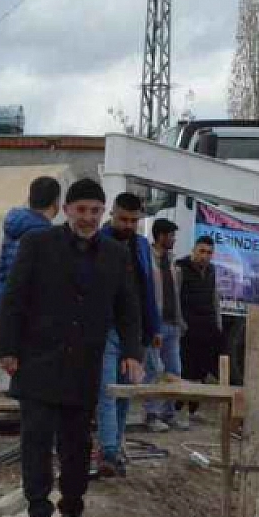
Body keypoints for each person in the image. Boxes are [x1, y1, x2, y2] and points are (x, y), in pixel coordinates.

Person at [0, 179, 143, 517]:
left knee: (77, 442)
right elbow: (13, 299)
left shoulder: (115, 254)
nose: (88, 218)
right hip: (37, 361)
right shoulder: (37, 244)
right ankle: (39, 514)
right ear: (66, 210)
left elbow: (128, 308)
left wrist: (131, 353)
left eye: (95, 211)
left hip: (83, 364)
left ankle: (73, 509)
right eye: (81, 210)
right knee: (37, 440)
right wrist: (8, 349)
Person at [96, 193, 160, 477]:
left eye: (135, 221)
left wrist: (153, 328)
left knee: (125, 393)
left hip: (135, 333)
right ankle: (108, 452)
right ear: (112, 214)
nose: (129, 225)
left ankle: (115, 447)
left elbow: (147, 289)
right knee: (108, 391)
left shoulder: (142, 246)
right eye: (124, 219)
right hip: (106, 327)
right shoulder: (98, 242)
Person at [0, 176, 60, 337]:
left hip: (7, 314)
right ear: (56, 203)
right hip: (30, 321)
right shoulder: (46, 236)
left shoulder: (13, 230)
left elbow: (1, 274)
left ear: (30, 199)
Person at [175, 236, 224, 423]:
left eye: (209, 253)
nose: (205, 256)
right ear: (194, 250)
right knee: (185, 369)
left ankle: (194, 409)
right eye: (201, 251)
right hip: (188, 327)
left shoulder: (211, 270)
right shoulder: (181, 268)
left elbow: (214, 298)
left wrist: (217, 323)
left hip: (207, 327)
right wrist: (180, 323)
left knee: (201, 370)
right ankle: (178, 409)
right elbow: (175, 295)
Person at [144, 217, 185, 431]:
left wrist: (180, 320)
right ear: (161, 236)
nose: (174, 239)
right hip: (155, 323)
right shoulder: (147, 258)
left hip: (172, 323)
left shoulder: (172, 260)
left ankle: (169, 414)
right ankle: (152, 415)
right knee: (153, 370)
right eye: (171, 235)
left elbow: (175, 293)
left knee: (174, 370)